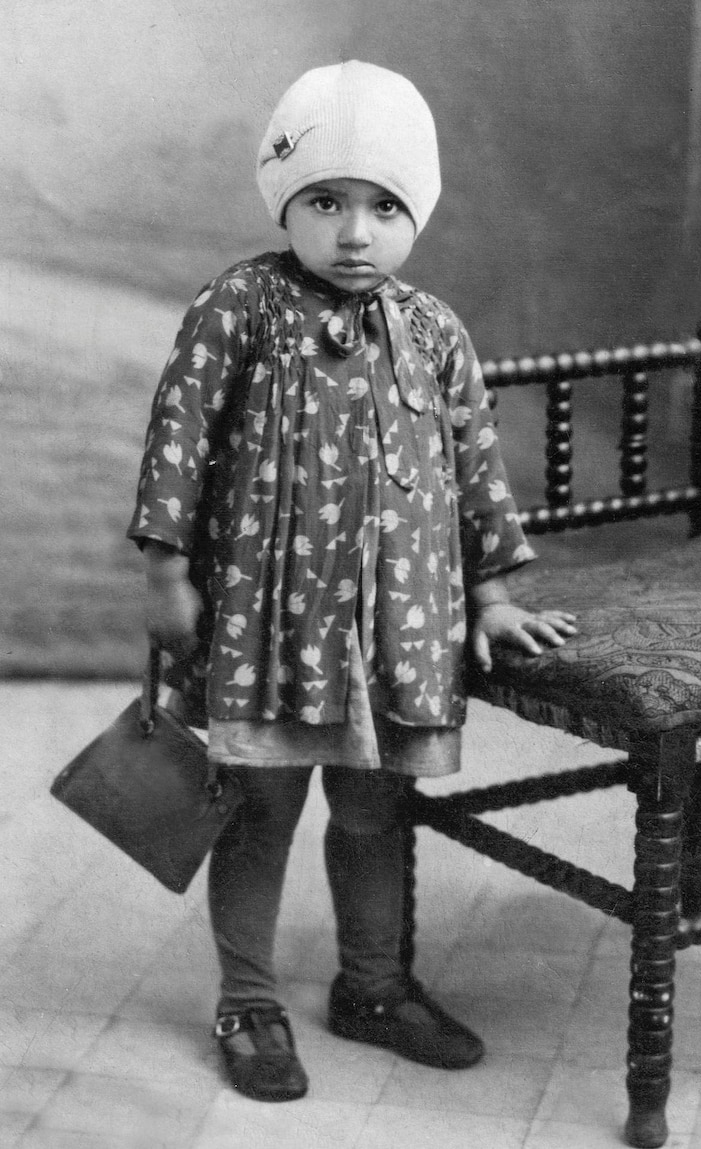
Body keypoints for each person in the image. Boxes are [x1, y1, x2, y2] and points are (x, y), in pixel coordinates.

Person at [127, 60, 576, 1103]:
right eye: (325, 202)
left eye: (382, 206)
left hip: (398, 633)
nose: (354, 232)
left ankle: (373, 986)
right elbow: (177, 440)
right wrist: (165, 568)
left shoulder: (433, 332)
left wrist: (497, 591)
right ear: (286, 199)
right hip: (270, 627)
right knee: (259, 810)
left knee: (375, 813)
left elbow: (474, 464)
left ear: (415, 211)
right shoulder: (239, 308)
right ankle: (247, 1002)